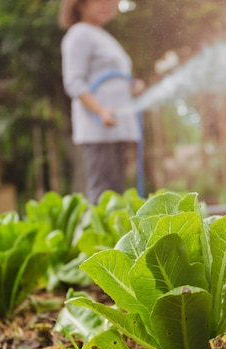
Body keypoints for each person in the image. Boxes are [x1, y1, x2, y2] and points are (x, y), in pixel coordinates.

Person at [58, 0, 145, 204]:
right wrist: (100, 111)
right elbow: (74, 82)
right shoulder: (79, 34)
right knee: (103, 195)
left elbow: (111, 75)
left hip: (117, 129)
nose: (107, 4)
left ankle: (112, 236)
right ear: (80, 4)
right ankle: (100, 236)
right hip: (99, 130)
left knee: (115, 194)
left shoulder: (103, 36)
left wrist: (131, 84)